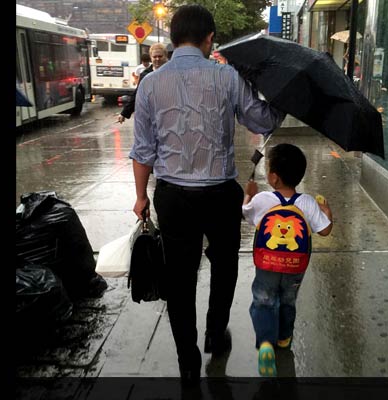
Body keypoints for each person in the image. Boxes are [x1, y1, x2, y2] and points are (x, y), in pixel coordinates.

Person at [129, 4, 286, 385]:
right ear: (209, 38)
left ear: (172, 37)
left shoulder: (149, 83)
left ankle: (187, 358)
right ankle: (216, 332)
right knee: (224, 265)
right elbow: (262, 120)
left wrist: (140, 197)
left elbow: (143, 150)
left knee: (179, 277)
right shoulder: (229, 77)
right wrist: (277, 96)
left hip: (172, 196)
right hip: (219, 194)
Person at [242, 143, 333, 377]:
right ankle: (283, 339)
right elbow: (324, 231)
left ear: (273, 177)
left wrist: (248, 195)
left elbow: (246, 213)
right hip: (294, 268)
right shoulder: (308, 203)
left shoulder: (263, 200)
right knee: (288, 301)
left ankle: (265, 344)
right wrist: (327, 212)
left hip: (267, 265)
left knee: (264, 300)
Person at [117, 43, 168, 124]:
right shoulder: (145, 75)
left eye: (160, 56)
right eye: (154, 57)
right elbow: (137, 94)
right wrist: (124, 113)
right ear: (151, 58)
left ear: (165, 56)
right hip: (151, 117)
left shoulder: (173, 72)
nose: (157, 59)